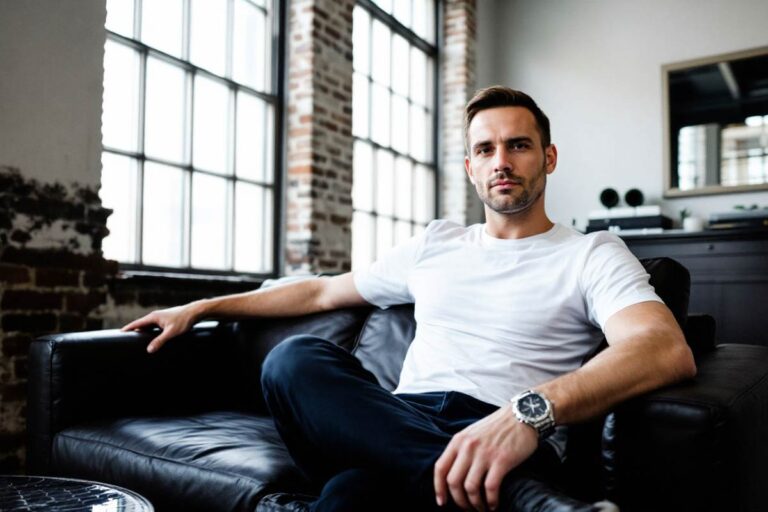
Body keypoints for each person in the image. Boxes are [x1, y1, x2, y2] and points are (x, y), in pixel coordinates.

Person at [122, 86, 697, 512]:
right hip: (400, 417)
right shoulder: (437, 243)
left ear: (547, 158)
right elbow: (323, 290)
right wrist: (202, 307)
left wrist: (527, 413)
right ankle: (531, 505)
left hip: (507, 433)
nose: (502, 160)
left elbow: (662, 347)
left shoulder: (592, 252)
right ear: (470, 167)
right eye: (486, 149)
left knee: (350, 497)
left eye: (518, 145)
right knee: (294, 360)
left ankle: (504, 486)